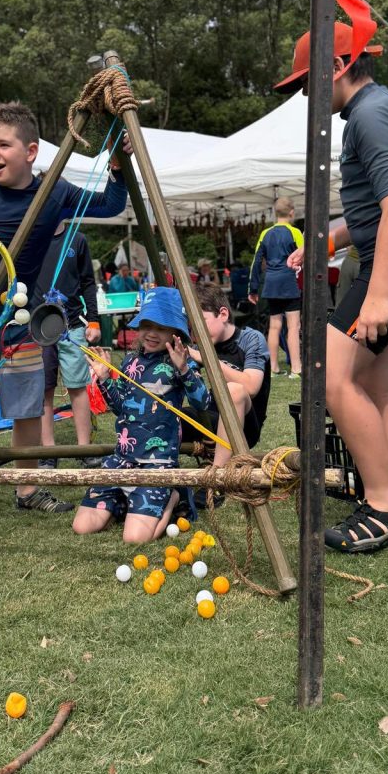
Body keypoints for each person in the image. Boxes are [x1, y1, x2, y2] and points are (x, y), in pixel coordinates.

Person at [0, 101, 130, 552]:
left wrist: (117, 167)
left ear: (30, 151)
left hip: (18, 324)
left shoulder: (54, 191)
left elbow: (111, 204)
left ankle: (27, 489)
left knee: (28, 411)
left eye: (3, 145)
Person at [275, 21, 388, 553]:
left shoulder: (370, 114)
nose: (305, 96)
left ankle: (384, 505)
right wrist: (326, 240)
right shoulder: (373, 110)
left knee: (329, 376)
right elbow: (379, 208)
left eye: (307, 83)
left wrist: (377, 295)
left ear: (337, 66)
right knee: (375, 388)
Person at [72, 287, 210, 543]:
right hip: (121, 460)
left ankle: (173, 496)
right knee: (82, 526)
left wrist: (184, 370)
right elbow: (122, 407)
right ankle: (124, 502)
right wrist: (104, 379)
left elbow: (203, 401)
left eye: (161, 327)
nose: (152, 333)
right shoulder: (130, 362)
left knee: (134, 539)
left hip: (157, 465)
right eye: (146, 325)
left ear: (175, 332)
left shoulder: (181, 362)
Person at [186, 284, 271, 509]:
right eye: (192, 328)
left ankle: (217, 480)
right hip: (211, 423)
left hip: (243, 427)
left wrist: (206, 358)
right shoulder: (200, 344)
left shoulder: (251, 338)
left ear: (223, 314)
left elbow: (251, 386)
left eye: (201, 323)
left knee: (235, 390)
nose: (196, 334)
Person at [34, 222, 102, 468]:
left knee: (78, 387)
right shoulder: (31, 238)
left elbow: (88, 282)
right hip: (40, 327)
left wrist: (93, 320)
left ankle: (84, 448)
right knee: (44, 390)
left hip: (72, 325)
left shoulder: (77, 239)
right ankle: (48, 451)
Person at [247, 197, 303, 378]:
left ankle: (273, 368)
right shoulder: (295, 232)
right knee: (293, 327)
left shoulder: (265, 233)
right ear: (292, 212)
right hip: (289, 283)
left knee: (274, 326)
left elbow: (256, 261)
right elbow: (305, 257)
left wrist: (252, 289)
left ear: (275, 213)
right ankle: (296, 369)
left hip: (271, 284)